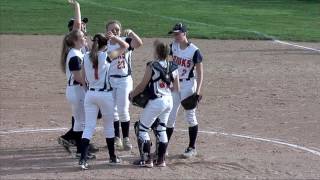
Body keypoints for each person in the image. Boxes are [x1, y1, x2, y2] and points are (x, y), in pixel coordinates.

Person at [78, 33, 129, 170]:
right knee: (109, 127)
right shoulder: (106, 56)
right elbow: (125, 46)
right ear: (105, 45)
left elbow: (83, 78)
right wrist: (114, 38)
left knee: (88, 127)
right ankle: (112, 157)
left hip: (90, 94)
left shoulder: (85, 57)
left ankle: (83, 159)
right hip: (105, 95)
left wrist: (88, 91)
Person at [129, 40, 179, 168]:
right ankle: (160, 160)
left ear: (157, 52)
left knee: (142, 129)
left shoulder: (152, 65)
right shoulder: (174, 66)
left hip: (156, 102)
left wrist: (132, 94)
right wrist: (165, 85)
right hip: (169, 101)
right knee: (162, 129)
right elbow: (176, 88)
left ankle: (146, 160)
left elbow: (142, 85)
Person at [58, 0, 99, 154]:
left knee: (80, 121)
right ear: (74, 36)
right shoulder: (74, 52)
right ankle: (82, 150)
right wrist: (77, 6)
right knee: (83, 121)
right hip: (77, 89)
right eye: (81, 30)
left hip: (76, 90)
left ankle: (73, 141)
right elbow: (79, 77)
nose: (84, 30)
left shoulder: (77, 50)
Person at [166, 23, 204, 158]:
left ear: (184, 33)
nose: (175, 36)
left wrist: (198, 91)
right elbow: (169, 64)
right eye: (174, 34)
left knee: (190, 116)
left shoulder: (194, 51)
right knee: (169, 116)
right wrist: (169, 81)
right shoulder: (173, 47)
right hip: (175, 85)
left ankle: (192, 147)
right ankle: (164, 148)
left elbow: (200, 73)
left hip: (188, 85)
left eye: (178, 34)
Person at [106, 20, 143, 151]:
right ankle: (117, 137)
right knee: (113, 110)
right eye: (112, 29)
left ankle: (126, 138)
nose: (115, 31)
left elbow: (139, 43)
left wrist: (132, 32)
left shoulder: (125, 40)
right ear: (107, 31)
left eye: (117, 29)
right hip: (110, 80)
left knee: (123, 109)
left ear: (120, 30)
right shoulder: (106, 43)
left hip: (124, 80)